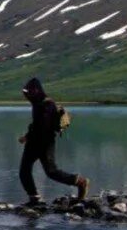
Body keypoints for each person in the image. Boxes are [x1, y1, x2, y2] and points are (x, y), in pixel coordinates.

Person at [18, 77, 88, 205]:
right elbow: (37, 125)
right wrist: (28, 136)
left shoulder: (46, 104)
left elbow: (42, 126)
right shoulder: (37, 103)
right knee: (25, 171)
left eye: (28, 92)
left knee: (51, 172)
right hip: (35, 142)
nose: (25, 95)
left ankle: (80, 182)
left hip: (44, 143)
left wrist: (28, 136)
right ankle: (34, 197)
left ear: (36, 91)